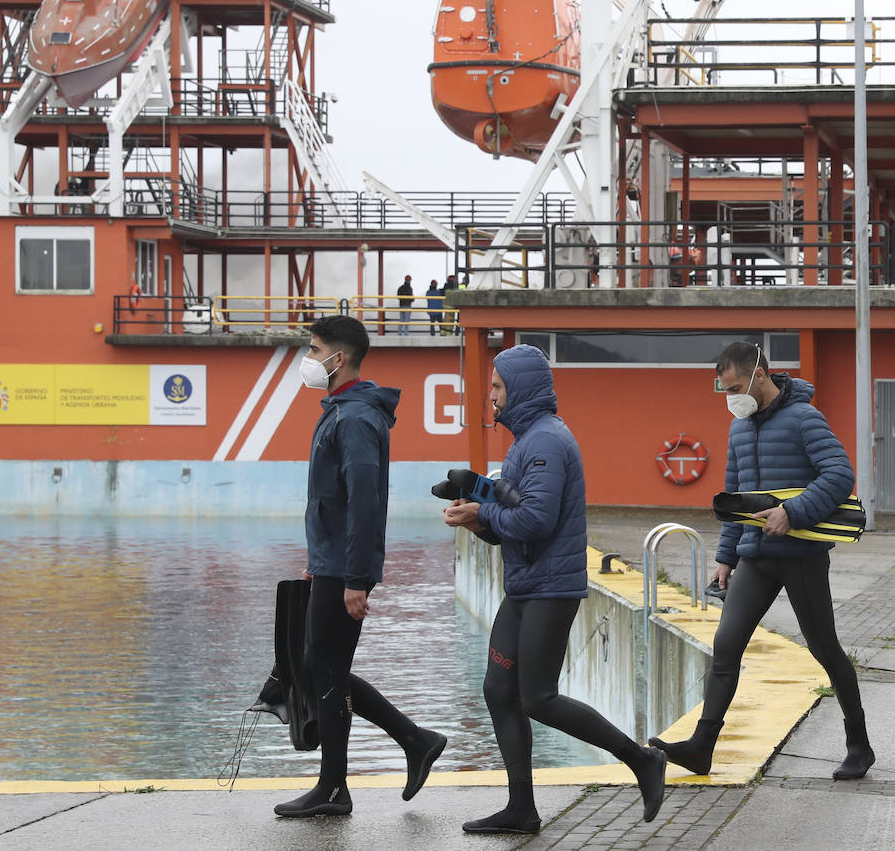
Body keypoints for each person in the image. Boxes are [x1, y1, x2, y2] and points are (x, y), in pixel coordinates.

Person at [442, 344, 665, 835]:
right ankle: (521, 807)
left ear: (519, 388)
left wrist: (485, 514)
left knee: (537, 697)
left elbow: (537, 519)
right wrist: (478, 522)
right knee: (499, 690)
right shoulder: (526, 442)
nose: (492, 397)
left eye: (497, 387)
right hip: (526, 586)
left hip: (550, 587)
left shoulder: (544, 442)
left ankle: (642, 760)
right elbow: (515, 523)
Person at [649, 342, 875, 781]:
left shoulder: (805, 418)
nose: (731, 397)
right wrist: (725, 556)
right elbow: (735, 496)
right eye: (724, 390)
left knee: (825, 650)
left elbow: (839, 474)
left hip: (802, 555)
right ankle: (701, 748)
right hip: (755, 556)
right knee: (726, 645)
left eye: (735, 386)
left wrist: (793, 512)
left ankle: (859, 745)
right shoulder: (739, 428)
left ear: (759, 375)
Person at [274, 315, 446, 818]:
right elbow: (333, 501)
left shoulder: (354, 419)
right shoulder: (342, 411)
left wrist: (355, 579)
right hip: (330, 564)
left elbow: (364, 505)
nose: (308, 359)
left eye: (314, 349)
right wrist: (319, 562)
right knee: (323, 668)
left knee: (324, 671)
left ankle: (338, 786)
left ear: (338, 358)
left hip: (343, 570)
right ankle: (412, 742)